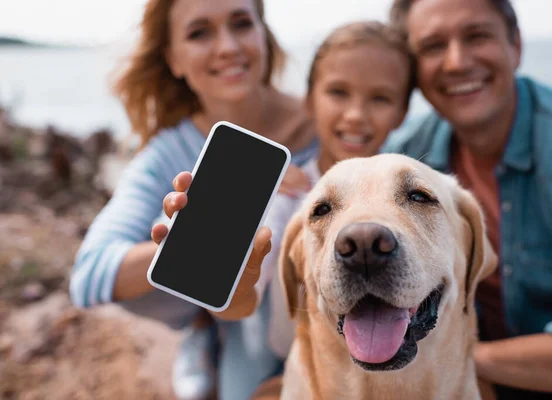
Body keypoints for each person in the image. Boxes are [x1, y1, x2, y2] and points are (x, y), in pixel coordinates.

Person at [68, 0, 318, 399]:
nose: (228, 47)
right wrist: (205, 229)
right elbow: (90, 275)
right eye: (199, 33)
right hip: (236, 311)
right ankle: (203, 325)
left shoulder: (330, 117)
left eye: (241, 24)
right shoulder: (168, 153)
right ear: (174, 60)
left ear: (263, 34)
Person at [151, 19, 415, 398]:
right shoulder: (288, 192)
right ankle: (206, 338)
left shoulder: (414, 197)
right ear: (308, 101)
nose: (356, 114)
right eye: (338, 93)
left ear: (404, 112)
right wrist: (232, 282)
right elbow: (239, 305)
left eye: (380, 98)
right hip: (275, 342)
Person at [381, 0, 552, 398]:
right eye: (432, 47)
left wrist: (466, 357)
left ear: (515, 44)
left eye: (477, 36)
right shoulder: (404, 156)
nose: (456, 62)